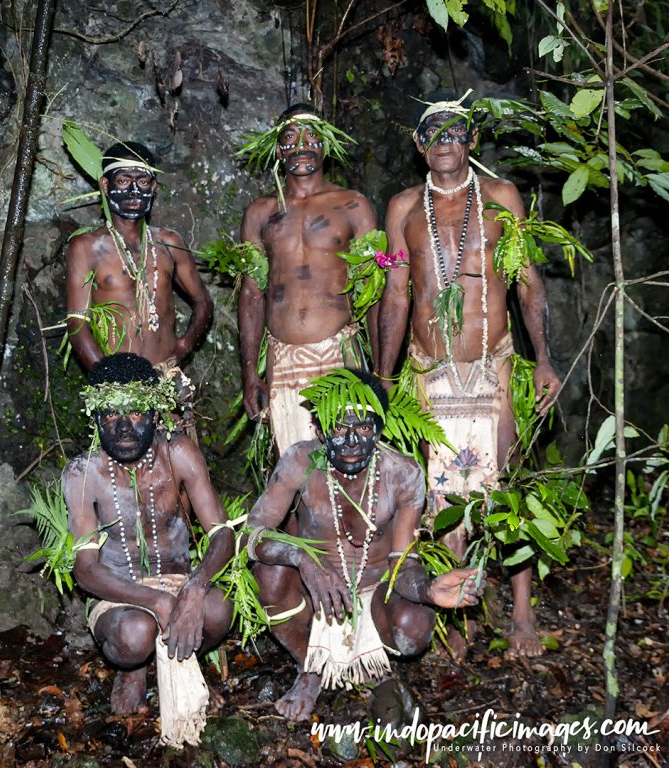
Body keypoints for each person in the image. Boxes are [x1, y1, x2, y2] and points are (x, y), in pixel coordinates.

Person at [378, 94, 562, 659]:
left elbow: (526, 279)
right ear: (419, 144)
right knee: (437, 496)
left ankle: (523, 612)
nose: (445, 141)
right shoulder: (403, 207)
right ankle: (458, 612)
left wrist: (546, 359)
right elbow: (395, 290)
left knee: (505, 489)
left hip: (494, 364)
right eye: (434, 132)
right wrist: (384, 376)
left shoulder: (502, 198)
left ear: (473, 140)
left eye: (456, 131)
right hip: (429, 370)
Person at [245, 370, 482, 720]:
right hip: (317, 594)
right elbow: (252, 535)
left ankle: (374, 663)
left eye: (365, 428)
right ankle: (310, 669)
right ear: (321, 430)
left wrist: (430, 590)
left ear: (380, 429)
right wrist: (303, 560)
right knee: (269, 575)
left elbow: (403, 565)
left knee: (414, 624)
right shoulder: (300, 461)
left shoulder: (403, 473)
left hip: (376, 591)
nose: (353, 441)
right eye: (340, 428)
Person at [62, 352, 232, 746]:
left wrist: (193, 588)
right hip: (119, 595)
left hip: (179, 580)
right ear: (96, 418)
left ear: (155, 413)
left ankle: (183, 663)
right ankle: (135, 668)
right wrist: (156, 602)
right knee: (136, 634)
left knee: (219, 609)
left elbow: (223, 533)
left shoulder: (179, 454)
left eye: (136, 412)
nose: (123, 427)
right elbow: (86, 570)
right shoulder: (83, 473)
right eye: (110, 415)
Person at [238, 104, 378, 454]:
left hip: (339, 354)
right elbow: (252, 295)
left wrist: (379, 371)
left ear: (326, 145)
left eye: (312, 135)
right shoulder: (261, 213)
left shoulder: (352, 205)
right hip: (283, 361)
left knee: (348, 465)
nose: (301, 144)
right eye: (289, 137)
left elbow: (374, 291)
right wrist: (250, 374)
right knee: (294, 471)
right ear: (276, 148)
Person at [66, 141, 213, 374]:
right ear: (105, 185)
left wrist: (184, 346)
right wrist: (109, 379)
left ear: (153, 187)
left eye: (143, 182)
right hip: (117, 383)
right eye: (123, 181)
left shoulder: (169, 243)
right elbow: (77, 322)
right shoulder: (87, 247)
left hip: (166, 375)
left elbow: (203, 302)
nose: (134, 191)